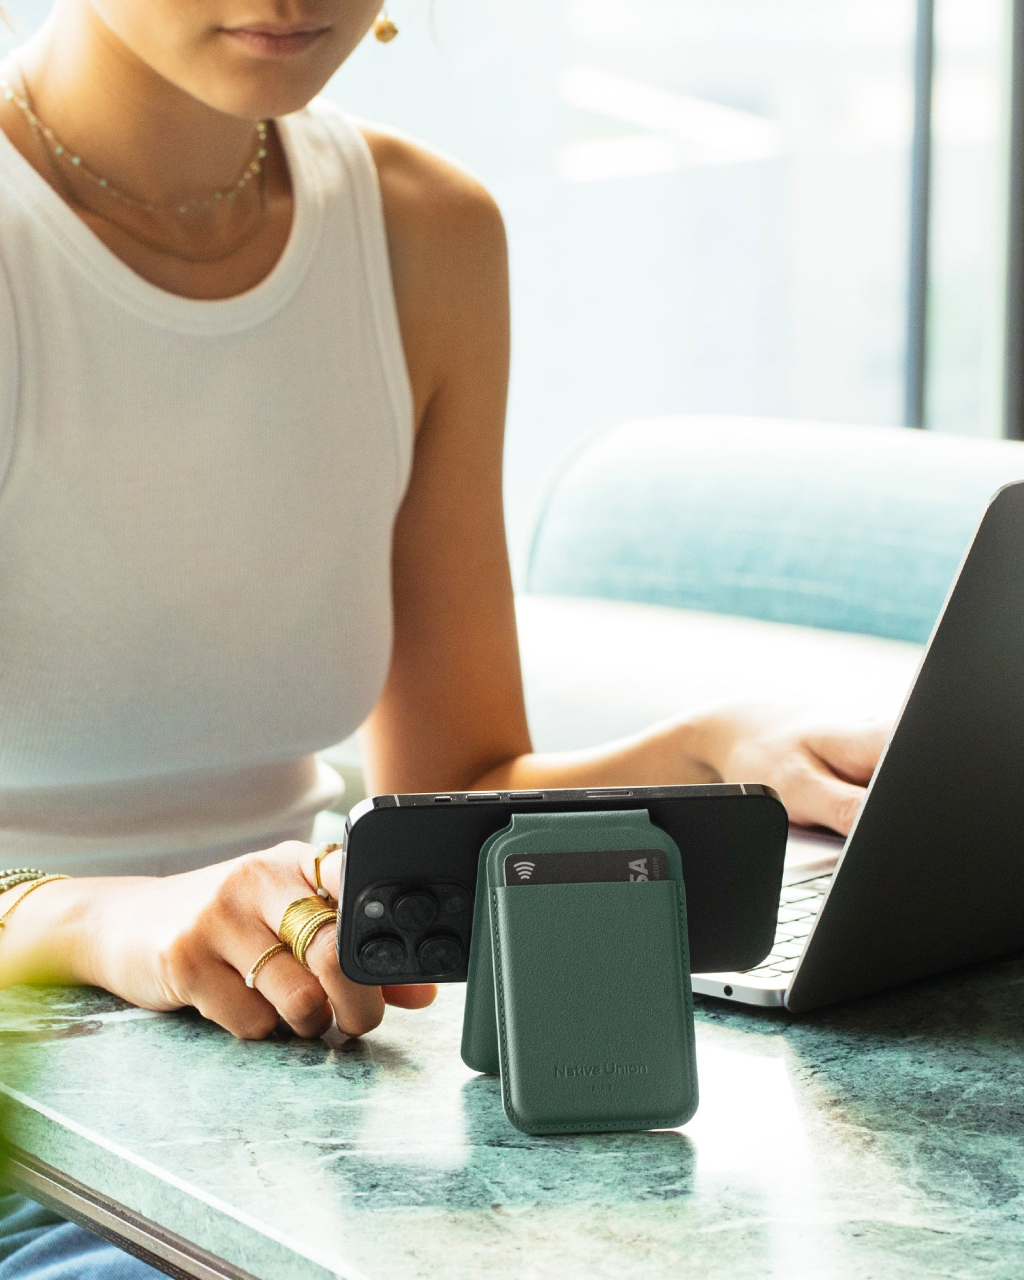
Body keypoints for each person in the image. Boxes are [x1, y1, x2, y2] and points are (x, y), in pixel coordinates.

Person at [0, 2, 887, 1273]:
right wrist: (103, 922)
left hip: (299, 1089)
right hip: (36, 1137)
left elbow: (457, 788)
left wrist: (709, 750)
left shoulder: (425, 234)